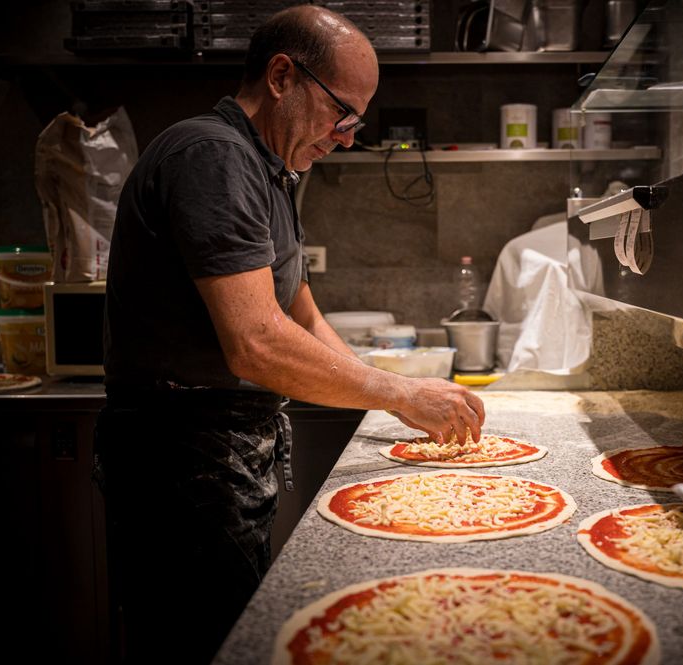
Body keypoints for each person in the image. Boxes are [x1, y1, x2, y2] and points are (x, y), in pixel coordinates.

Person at [94, 6, 484, 664]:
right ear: (282, 76)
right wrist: (399, 393)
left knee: (237, 634)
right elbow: (256, 341)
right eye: (344, 112)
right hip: (179, 460)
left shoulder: (270, 172)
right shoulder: (212, 157)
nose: (348, 136)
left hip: (227, 448)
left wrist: (395, 397)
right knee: (202, 645)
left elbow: (299, 311)